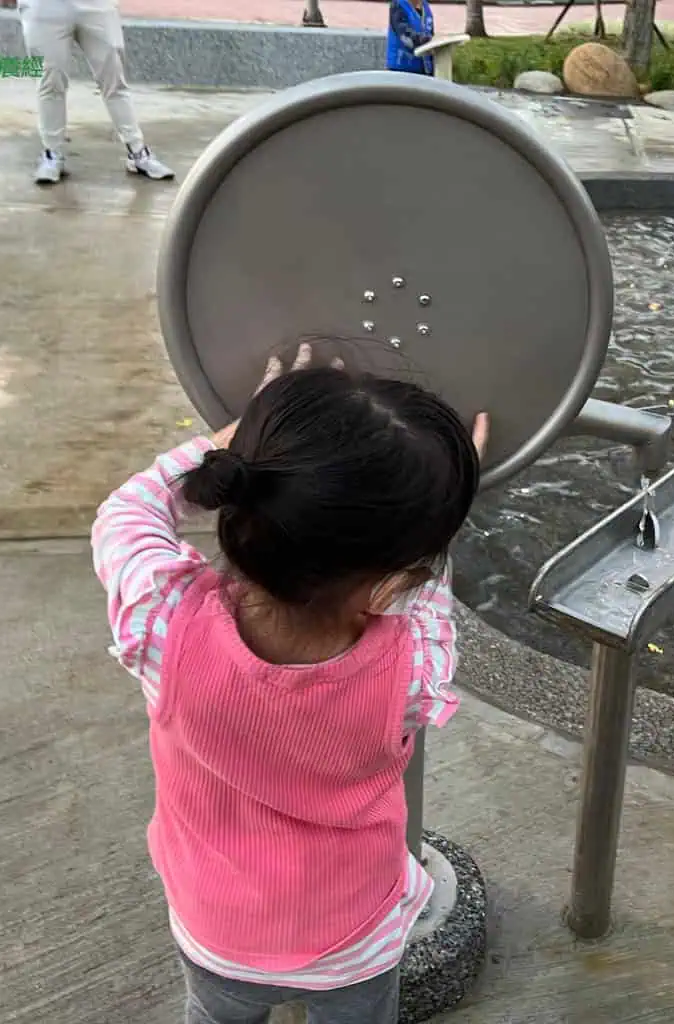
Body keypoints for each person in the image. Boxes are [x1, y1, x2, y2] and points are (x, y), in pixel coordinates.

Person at [91, 343, 488, 1024]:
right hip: (352, 938)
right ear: (395, 575)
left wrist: (226, 447)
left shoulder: (160, 624)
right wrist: (449, 492)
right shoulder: (414, 670)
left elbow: (124, 515)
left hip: (213, 926)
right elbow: (424, 592)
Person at [14, 0, 174, 185]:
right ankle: (52, 153)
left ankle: (138, 152)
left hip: (97, 5)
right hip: (44, 7)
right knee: (50, 80)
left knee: (113, 78)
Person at [386, 0, 435, 76]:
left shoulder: (425, 6)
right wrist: (427, 41)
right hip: (401, 70)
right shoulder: (398, 5)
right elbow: (405, 35)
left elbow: (430, 32)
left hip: (424, 70)